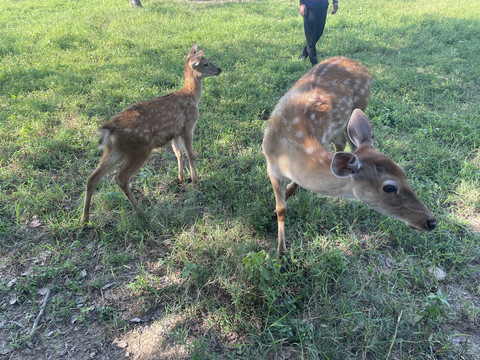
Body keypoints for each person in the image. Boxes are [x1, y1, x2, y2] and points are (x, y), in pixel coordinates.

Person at [298, 0, 338, 66]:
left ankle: (304, 53)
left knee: (319, 33)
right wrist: (302, 4)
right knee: (310, 37)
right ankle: (315, 64)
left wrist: (335, 1)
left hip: (323, 6)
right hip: (309, 6)